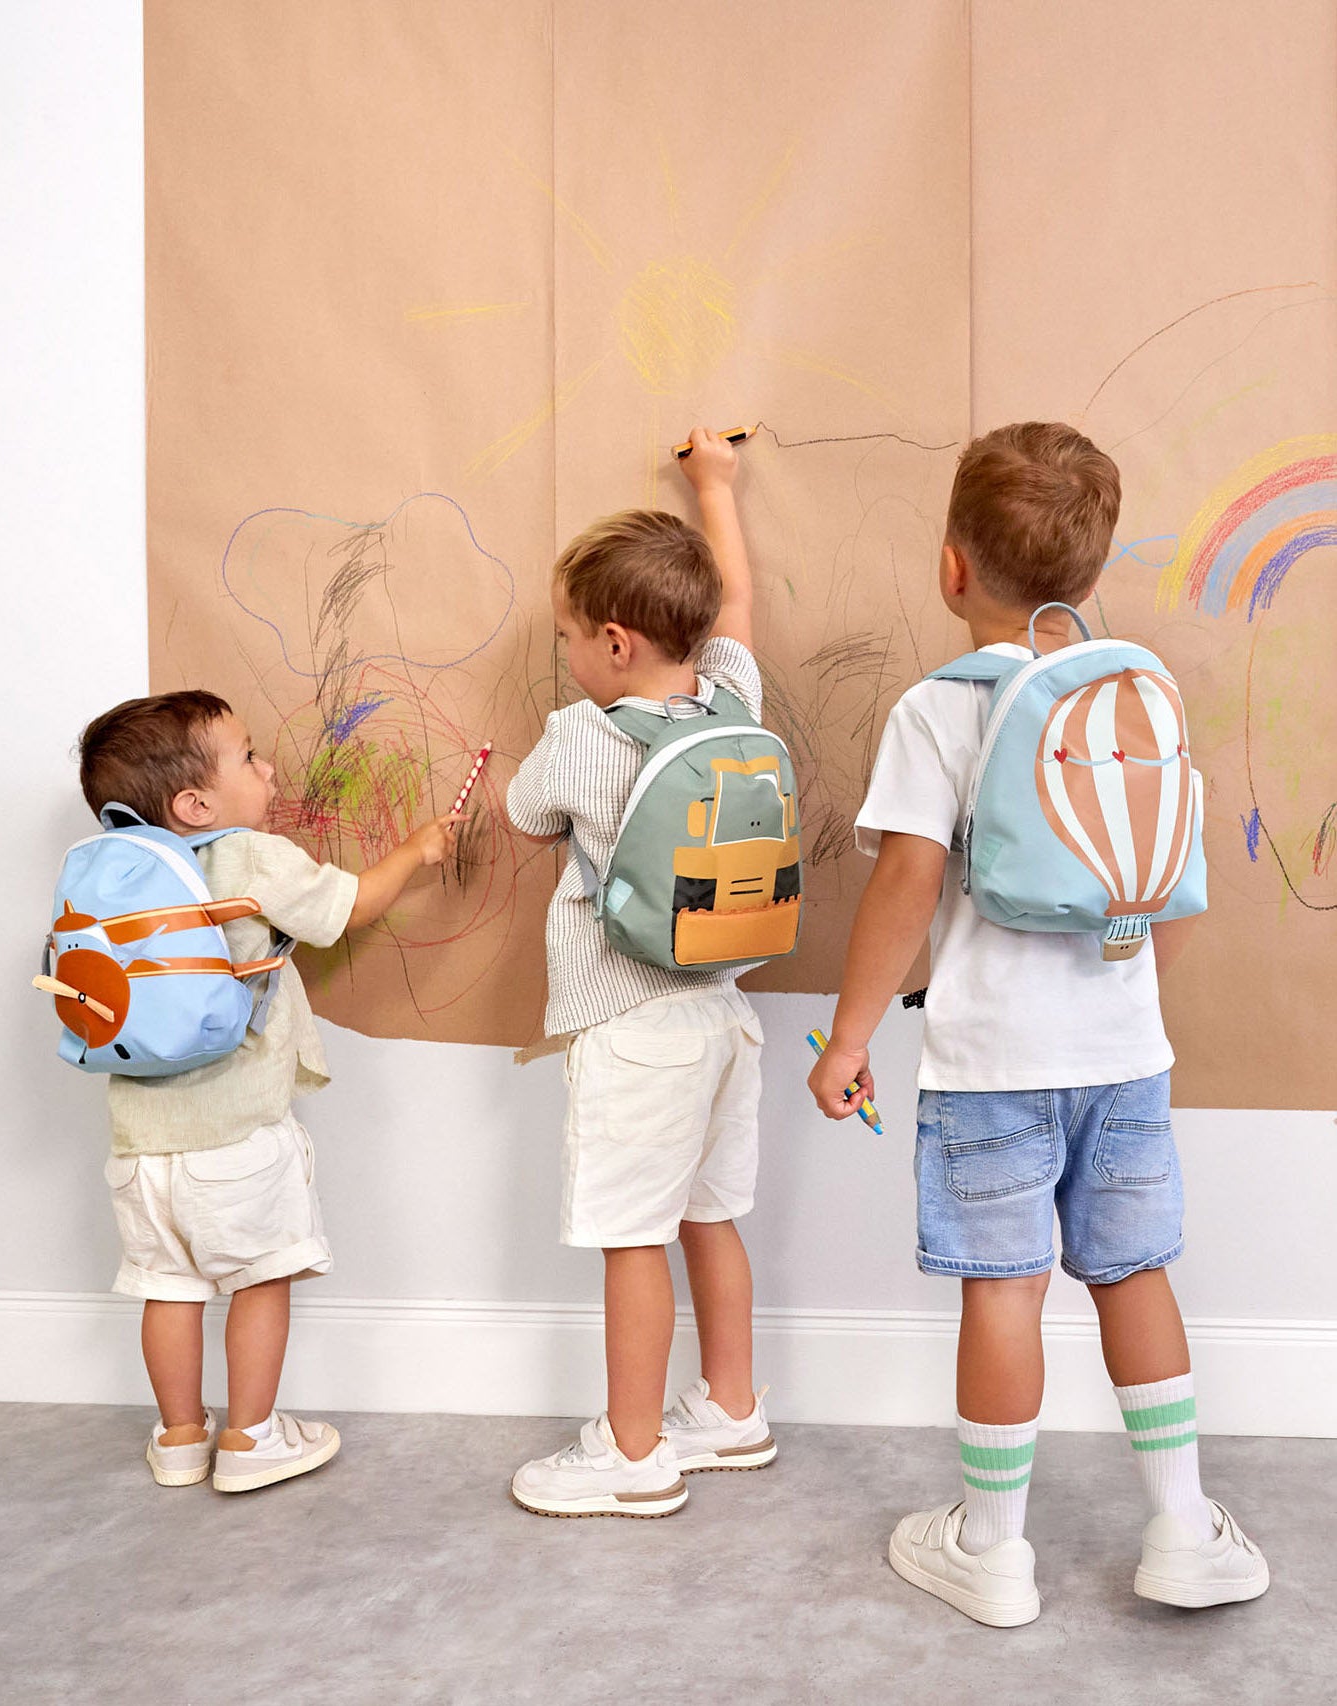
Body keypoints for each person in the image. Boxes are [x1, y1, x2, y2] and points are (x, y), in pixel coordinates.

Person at [809, 422, 1268, 1623]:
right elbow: (1173, 882)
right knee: (1132, 1272)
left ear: (950, 566)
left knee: (1003, 1289)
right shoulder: (1133, 694)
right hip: (1123, 1056)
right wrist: (1129, 994)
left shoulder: (937, 709)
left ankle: (992, 1546)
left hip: (989, 1065)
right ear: (1090, 569)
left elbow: (906, 883)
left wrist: (852, 1035)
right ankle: (1180, 1525)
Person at [76, 690, 457, 1490]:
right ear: (196, 803)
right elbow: (347, 908)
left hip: (139, 1147)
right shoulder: (248, 856)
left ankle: (181, 1438)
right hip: (237, 1135)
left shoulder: (111, 874)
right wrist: (417, 852)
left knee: (167, 1287)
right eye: (249, 755)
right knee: (259, 1280)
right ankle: (251, 1439)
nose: (271, 767)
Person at [505, 428, 776, 1517]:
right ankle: (729, 1406)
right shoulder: (734, 696)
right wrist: (716, 487)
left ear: (613, 643)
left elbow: (527, 815)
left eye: (568, 634)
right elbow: (738, 607)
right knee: (711, 1217)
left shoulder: (578, 731)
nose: (564, 652)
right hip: (722, 1015)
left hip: (628, 1025)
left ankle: (629, 1454)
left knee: (632, 1238)